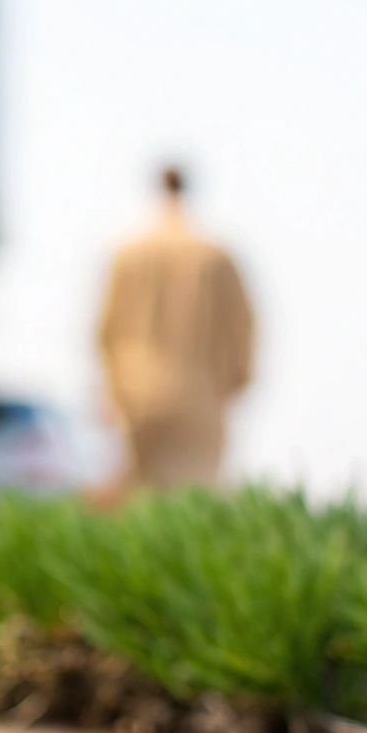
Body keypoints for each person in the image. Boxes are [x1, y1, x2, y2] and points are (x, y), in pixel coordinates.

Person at [95, 165, 254, 501]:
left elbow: (106, 330)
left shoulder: (129, 252)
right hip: (198, 394)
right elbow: (242, 328)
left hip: (136, 391)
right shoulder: (213, 255)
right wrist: (233, 383)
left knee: (138, 502)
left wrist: (112, 390)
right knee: (195, 497)